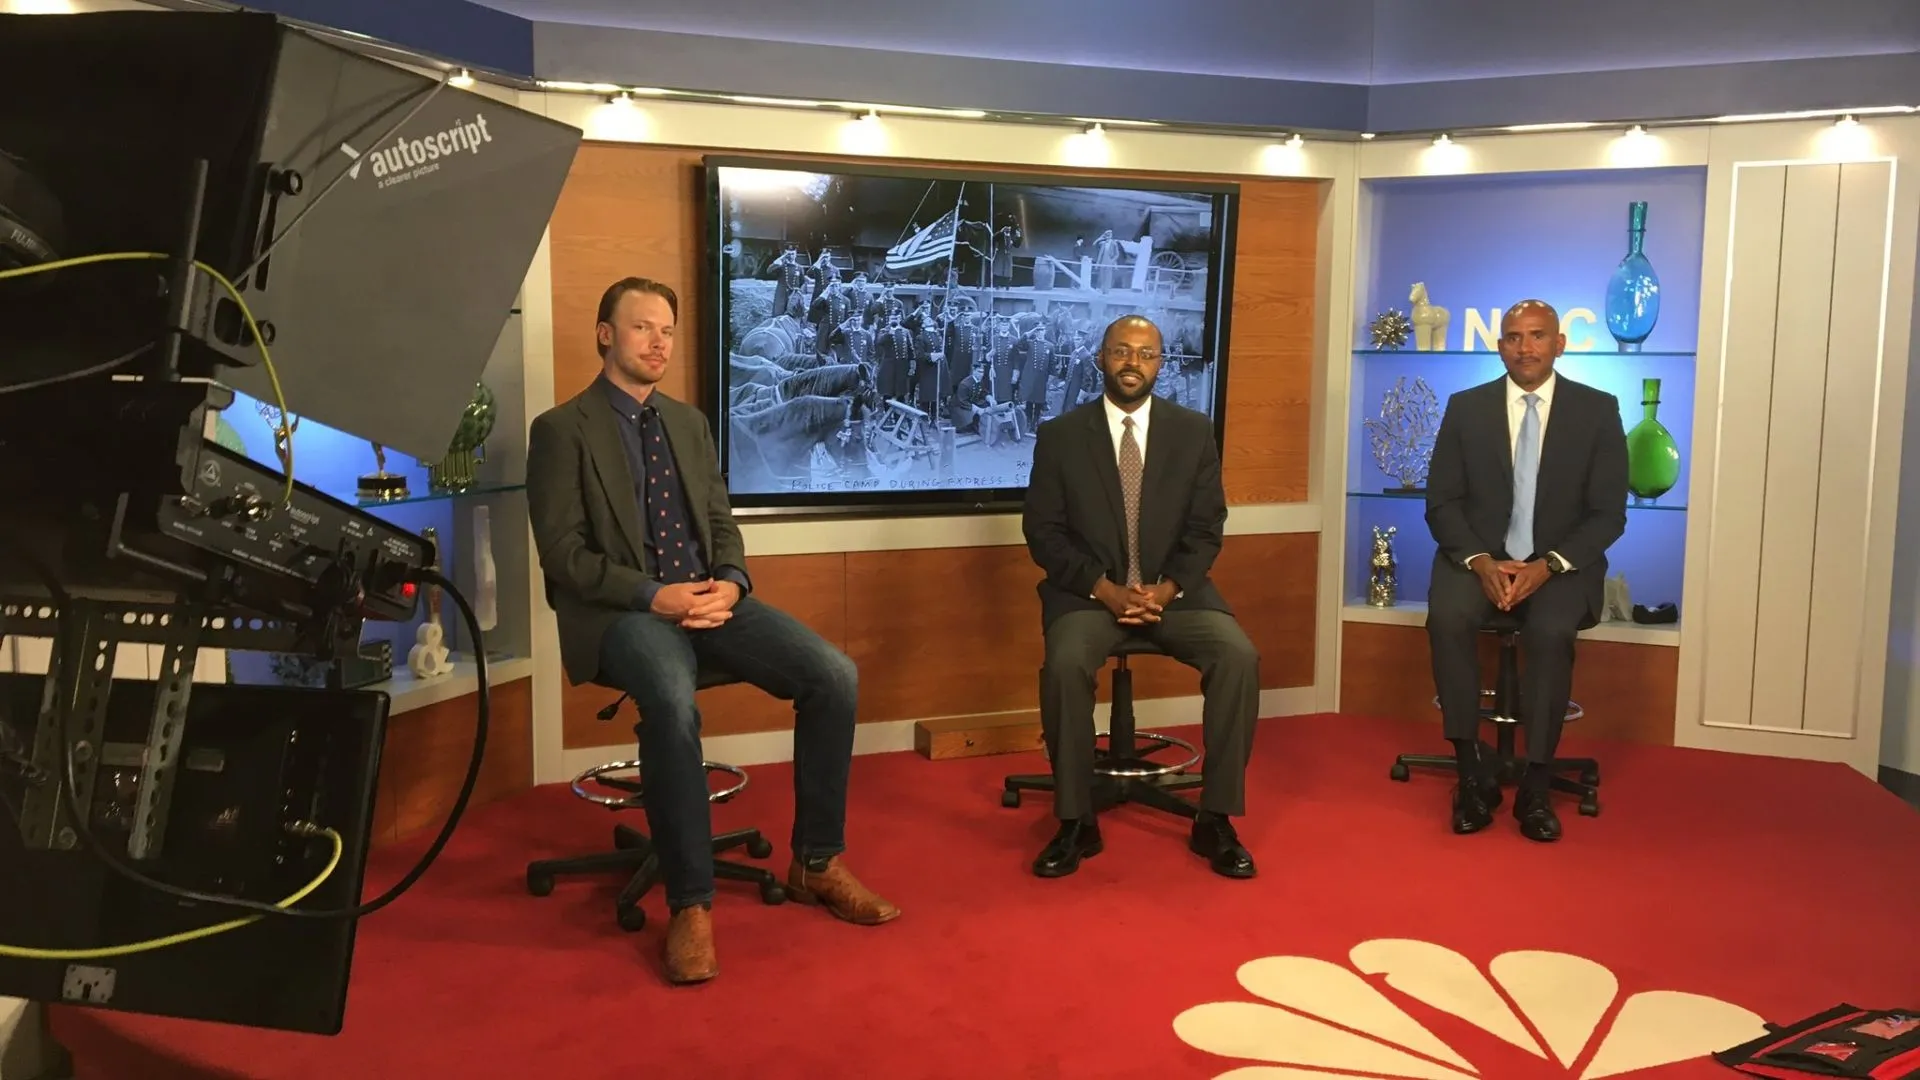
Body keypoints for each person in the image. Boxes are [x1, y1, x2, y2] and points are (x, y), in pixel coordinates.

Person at [526, 276, 899, 985]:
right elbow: (565, 559)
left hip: (710, 599)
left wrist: (733, 579)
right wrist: (655, 597)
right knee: (671, 700)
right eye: (642, 327)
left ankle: (817, 862)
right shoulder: (560, 430)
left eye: (667, 329)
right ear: (605, 333)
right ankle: (691, 904)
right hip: (621, 613)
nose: (659, 341)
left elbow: (721, 520)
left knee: (834, 676)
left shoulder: (690, 424)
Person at [1020, 313, 1261, 880]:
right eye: (1122, 351)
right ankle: (1076, 821)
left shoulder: (1192, 431)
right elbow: (1043, 532)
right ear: (1101, 358)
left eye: (1146, 353)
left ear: (1161, 364)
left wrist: (1167, 587)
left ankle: (1216, 818)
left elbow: (1207, 528)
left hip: (1175, 594)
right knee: (1064, 665)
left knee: (1238, 656)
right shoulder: (1060, 436)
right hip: (1088, 596)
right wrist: (1105, 590)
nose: (1133, 363)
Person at [1423, 299, 1628, 843]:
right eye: (1514, 337)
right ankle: (1470, 773)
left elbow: (1609, 513)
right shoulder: (1466, 408)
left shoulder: (1598, 410)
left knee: (1551, 629)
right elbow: (1441, 502)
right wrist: (1479, 560)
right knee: (1447, 616)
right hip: (1477, 561)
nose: (1525, 347)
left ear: (1559, 344)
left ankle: (1536, 783)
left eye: (1537, 336)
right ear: (1500, 346)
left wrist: (1549, 565)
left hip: (1560, 566)